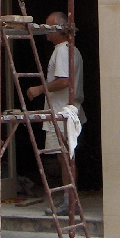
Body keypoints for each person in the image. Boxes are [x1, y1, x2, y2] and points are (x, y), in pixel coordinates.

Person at [26, 12, 85, 215]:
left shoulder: (62, 51)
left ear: (59, 29)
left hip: (62, 111)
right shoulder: (71, 50)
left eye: (49, 27)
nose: (46, 31)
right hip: (67, 109)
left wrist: (39, 89)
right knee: (66, 157)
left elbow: (63, 81)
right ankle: (70, 199)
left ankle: (69, 200)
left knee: (65, 158)